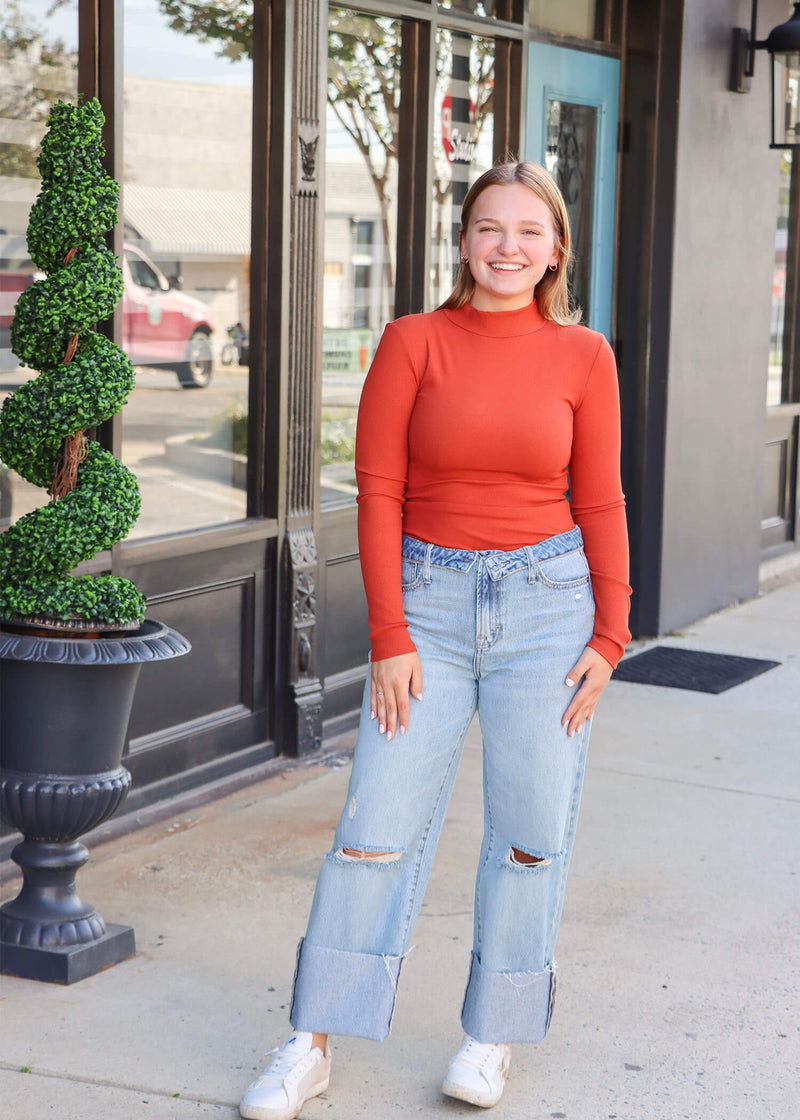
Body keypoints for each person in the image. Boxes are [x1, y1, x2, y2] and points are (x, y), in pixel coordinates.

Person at [239, 160, 631, 1120]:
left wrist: (613, 634)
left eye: (529, 232)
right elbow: (378, 490)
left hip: (550, 610)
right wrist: (390, 633)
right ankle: (312, 1039)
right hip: (430, 607)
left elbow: (601, 498)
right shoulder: (414, 341)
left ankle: (491, 1036)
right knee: (375, 829)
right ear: (464, 241)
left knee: (531, 838)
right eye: (490, 228)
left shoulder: (586, 356)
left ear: (556, 249)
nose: (508, 247)